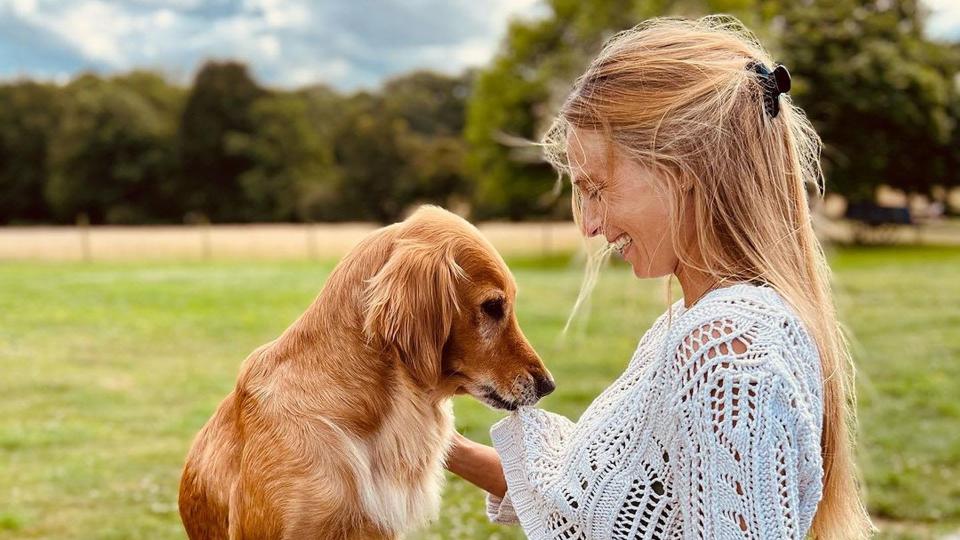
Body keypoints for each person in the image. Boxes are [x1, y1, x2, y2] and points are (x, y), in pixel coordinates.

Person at [444, 15, 874, 540]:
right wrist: (435, 441)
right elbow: (597, 506)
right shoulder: (695, 327)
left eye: (597, 187)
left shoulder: (726, 351)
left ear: (684, 170)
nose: (590, 224)